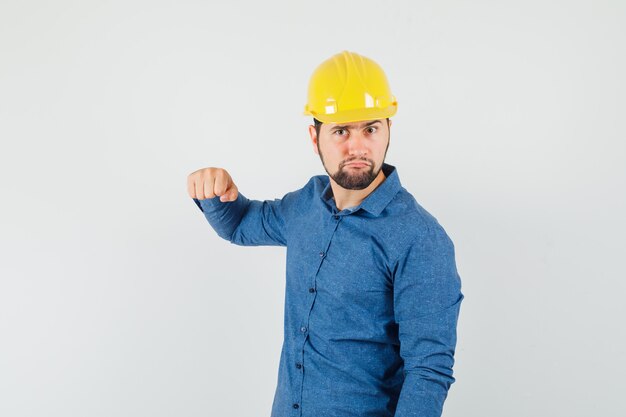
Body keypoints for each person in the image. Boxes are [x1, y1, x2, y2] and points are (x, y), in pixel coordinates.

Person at [187, 50, 464, 417]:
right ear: (314, 137)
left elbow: (428, 372)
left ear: (389, 129)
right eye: (340, 131)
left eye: (371, 128)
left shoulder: (420, 239)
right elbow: (240, 225)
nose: (358, 147)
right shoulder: (306, 204)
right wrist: (213, 192)